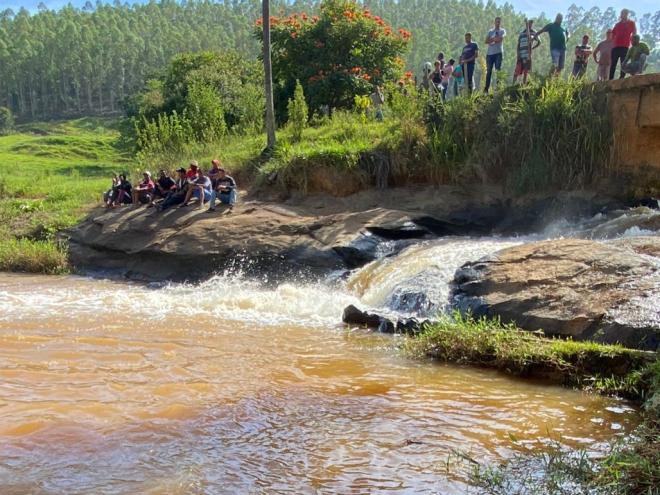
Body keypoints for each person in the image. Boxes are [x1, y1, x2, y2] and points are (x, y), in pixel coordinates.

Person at [610, 9, 636, 80]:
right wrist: (612, 42)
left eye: (624, 13)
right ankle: (610, 78)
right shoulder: (618, 24)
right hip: (616, 47)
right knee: (613, 64)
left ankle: (621, 78)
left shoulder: (631, 23)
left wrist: (634, 42)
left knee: (623, 63)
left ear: (627, 14)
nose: (622, 15)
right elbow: (613, 33)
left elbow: (634, 32)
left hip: (625, 46)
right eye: (622, 13)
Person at [513, 19, 539, 85]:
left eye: (531, 23)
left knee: (526, 71)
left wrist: (533, 47)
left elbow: (539, 41)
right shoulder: (522, 33)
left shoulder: (533, 32)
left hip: (527, 54)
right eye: (529, 23)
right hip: (521, 54)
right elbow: (518, 44)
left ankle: (524, 85)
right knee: (517, 71)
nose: (530, 25)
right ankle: (513, 84)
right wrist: (518, 53)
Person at [484, 17, 506, 93]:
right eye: (496, 21)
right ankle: (486, 89)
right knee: (489, 71)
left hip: (498, 53)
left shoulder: (502, 31)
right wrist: (494, 39)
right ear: (494, 22)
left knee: (498, 70)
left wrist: (492, 39)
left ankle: (498, 88)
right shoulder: (490, 31)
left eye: (499, 22)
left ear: (500, 22)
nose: (498, 23)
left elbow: (500, 39)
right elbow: (486, 41)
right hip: (489, 54)